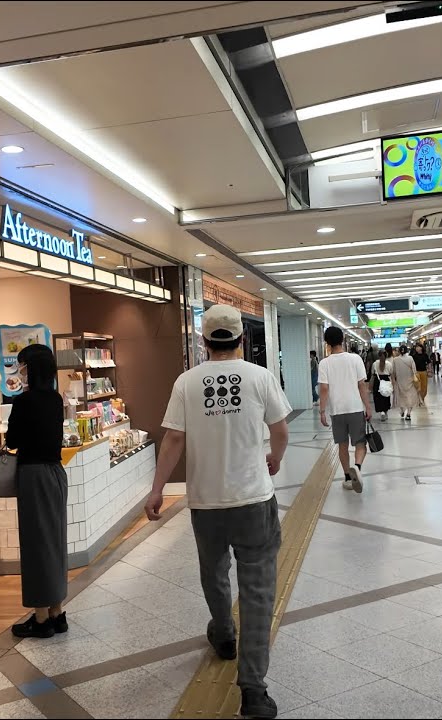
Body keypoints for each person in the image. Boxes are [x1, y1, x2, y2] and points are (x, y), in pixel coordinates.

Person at [145, 304, 289, 720]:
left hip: (206, 503)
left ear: (203, 341)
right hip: (254, 500)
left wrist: (157, 491)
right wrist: (274, 459)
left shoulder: (186, 383)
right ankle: (254, 692)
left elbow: (173, 440)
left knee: (214, 571)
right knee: (258, 592)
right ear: (242, 338)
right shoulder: (260, 376)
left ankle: (224, 635)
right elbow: (280, 430)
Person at [6, 344, 69, 638]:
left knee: (35, 545)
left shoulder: (25, 402)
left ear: (31, 368)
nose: (20, 371)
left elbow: (14, 439)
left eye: (22, 365)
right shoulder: (56, 399)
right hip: (56, 474)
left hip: (33, 475)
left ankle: (41, 619)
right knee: (54, 542)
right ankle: (57, 611)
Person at [318, 326, 372, 493]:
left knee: (342, 445)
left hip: (337, 410)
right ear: (342, 339)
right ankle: (357, 467)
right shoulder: (355, 359)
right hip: (355, 407)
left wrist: (322, 411)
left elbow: (324, 389)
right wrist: (368, 406)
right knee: (360, 443)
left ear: (327, 342)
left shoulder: (324, 363)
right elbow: (362, 385)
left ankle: (348, 477)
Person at [392, 345, 420, 421]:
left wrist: (393, 381)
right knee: (410, 397)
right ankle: (409, 413)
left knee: (401, 396)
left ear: (399, 351)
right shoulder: (410, 358)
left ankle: (402, 411)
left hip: (400, 381)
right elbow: (414, 370)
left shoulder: (395, 360)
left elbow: (393, 372)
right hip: (410, 381)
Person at [372, 344, 393, 421]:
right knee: (386, 396)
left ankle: (381, 412)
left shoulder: (374, 364)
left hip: (378, 381)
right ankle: (385, 411)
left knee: (378, 397)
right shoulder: (389, 364)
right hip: (386, 380)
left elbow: (372, 373)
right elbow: (391, 373)